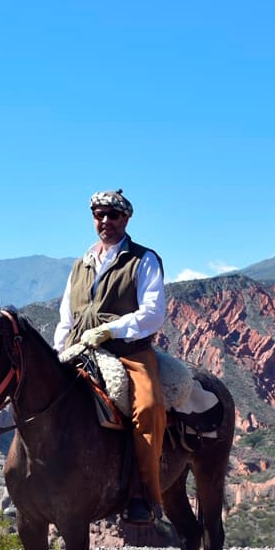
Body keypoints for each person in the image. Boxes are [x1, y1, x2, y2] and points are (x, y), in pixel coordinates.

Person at [54, 189, 167, 524]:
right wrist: (58, 352)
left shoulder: (143, 260)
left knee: (148, 408)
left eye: (112, 215)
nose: (105, 222)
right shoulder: (80, 265)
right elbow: (66, 318)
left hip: (128, 352)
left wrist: (110, 330)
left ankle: (143, 495)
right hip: (79, 348)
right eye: (99, 215)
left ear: (126, 219)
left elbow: (153, 312)